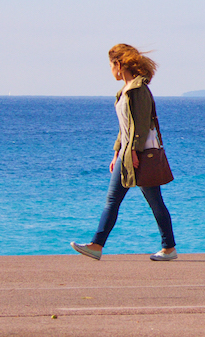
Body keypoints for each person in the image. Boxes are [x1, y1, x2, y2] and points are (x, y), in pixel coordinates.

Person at [71, 44, 179, 262]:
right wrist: (116, 153)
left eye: (111, 65)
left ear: (118, 64)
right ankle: (97, 246)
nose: (111, 70)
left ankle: (167, 248)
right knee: (120, 200)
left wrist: (134, 152)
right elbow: (124, 127)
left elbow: (141, 125)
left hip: (139, 153)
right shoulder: (125, 90)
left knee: (151, 201)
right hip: (127, 153)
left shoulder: (138, 90)